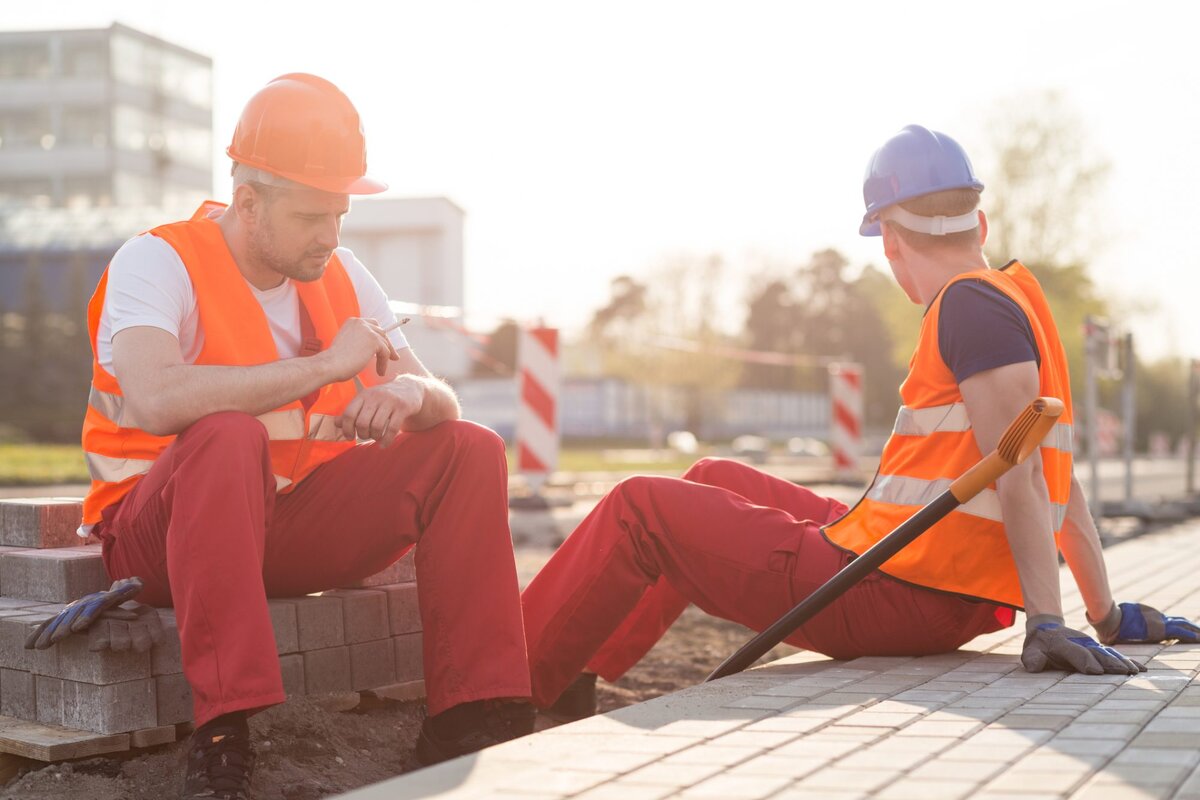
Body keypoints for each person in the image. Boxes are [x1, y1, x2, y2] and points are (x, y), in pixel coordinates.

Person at [521, 124, 1200, 721]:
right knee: (709, 476)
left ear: (891, 243)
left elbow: (1020, 472)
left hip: (898, 591)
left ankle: (508, 692)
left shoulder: (969, 308)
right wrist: (1105, 613)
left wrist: (1048, 622)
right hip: (917, 573)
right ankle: (573, 676)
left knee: (640, 505)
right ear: (981, 225)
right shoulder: (1013, 299)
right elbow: (1058, 477)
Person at [77, 74, 532, 799]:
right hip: (156, 539)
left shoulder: (344, 273)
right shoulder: (158, 261)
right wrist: (323, 366)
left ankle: (471, 714)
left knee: (469, 447)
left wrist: (412, 393)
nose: (332, 235)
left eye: (341, 215)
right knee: (226, 436)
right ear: (248, 202)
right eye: (313, 216)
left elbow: (438, 397)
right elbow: (158, 397)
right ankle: (225, 728)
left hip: (282, 527)